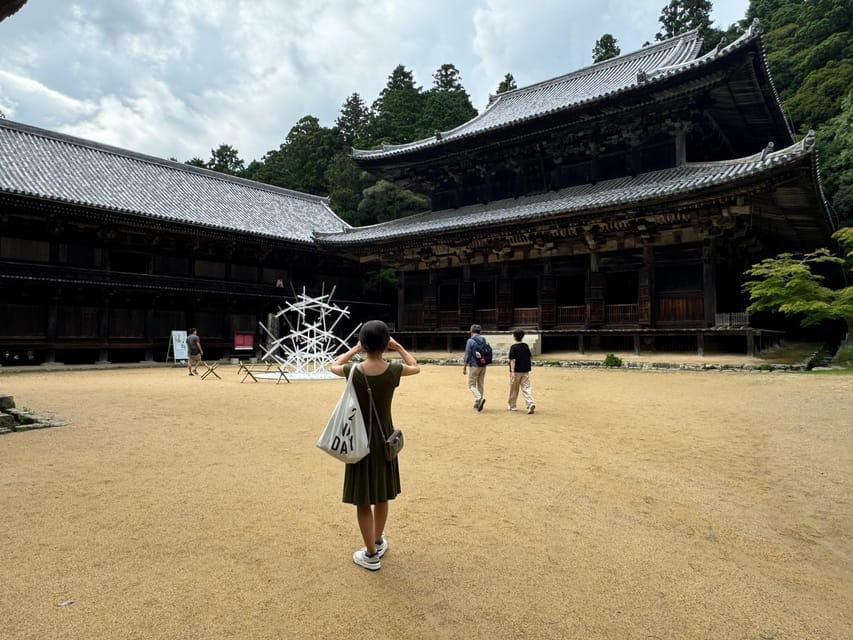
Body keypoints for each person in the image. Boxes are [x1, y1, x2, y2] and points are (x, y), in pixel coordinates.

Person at [330, 321, 420, 571]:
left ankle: (370, 553)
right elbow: (416, 367)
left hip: (358, 439)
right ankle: (378, 541)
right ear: (385, 343)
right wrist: (399, 347)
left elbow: (332, 365)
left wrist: (353, 349)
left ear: (364, 344)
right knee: (381, 494)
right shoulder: (393, 370)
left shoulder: (354, 370)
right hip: (384, 440)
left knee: (362, 499)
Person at [507, 329, 536, 414]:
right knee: (526, 388)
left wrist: (512, 372)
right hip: (525, 370)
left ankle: (512, 405)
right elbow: (529, 357)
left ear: (514, 336)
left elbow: (513, 360)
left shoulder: (514, 347)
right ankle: (530, 403)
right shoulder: (525, 346)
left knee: (514, 389)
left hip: (516, 371)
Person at [462, 324, 488, 411]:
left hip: (474, 365)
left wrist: (465, 367)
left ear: (471, 331)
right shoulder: (483, 339)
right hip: (483, 365)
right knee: (480, 383)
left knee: (471, 385)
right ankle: (478, 403)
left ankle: (479, 398)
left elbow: (467, 354)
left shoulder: (470, 341)